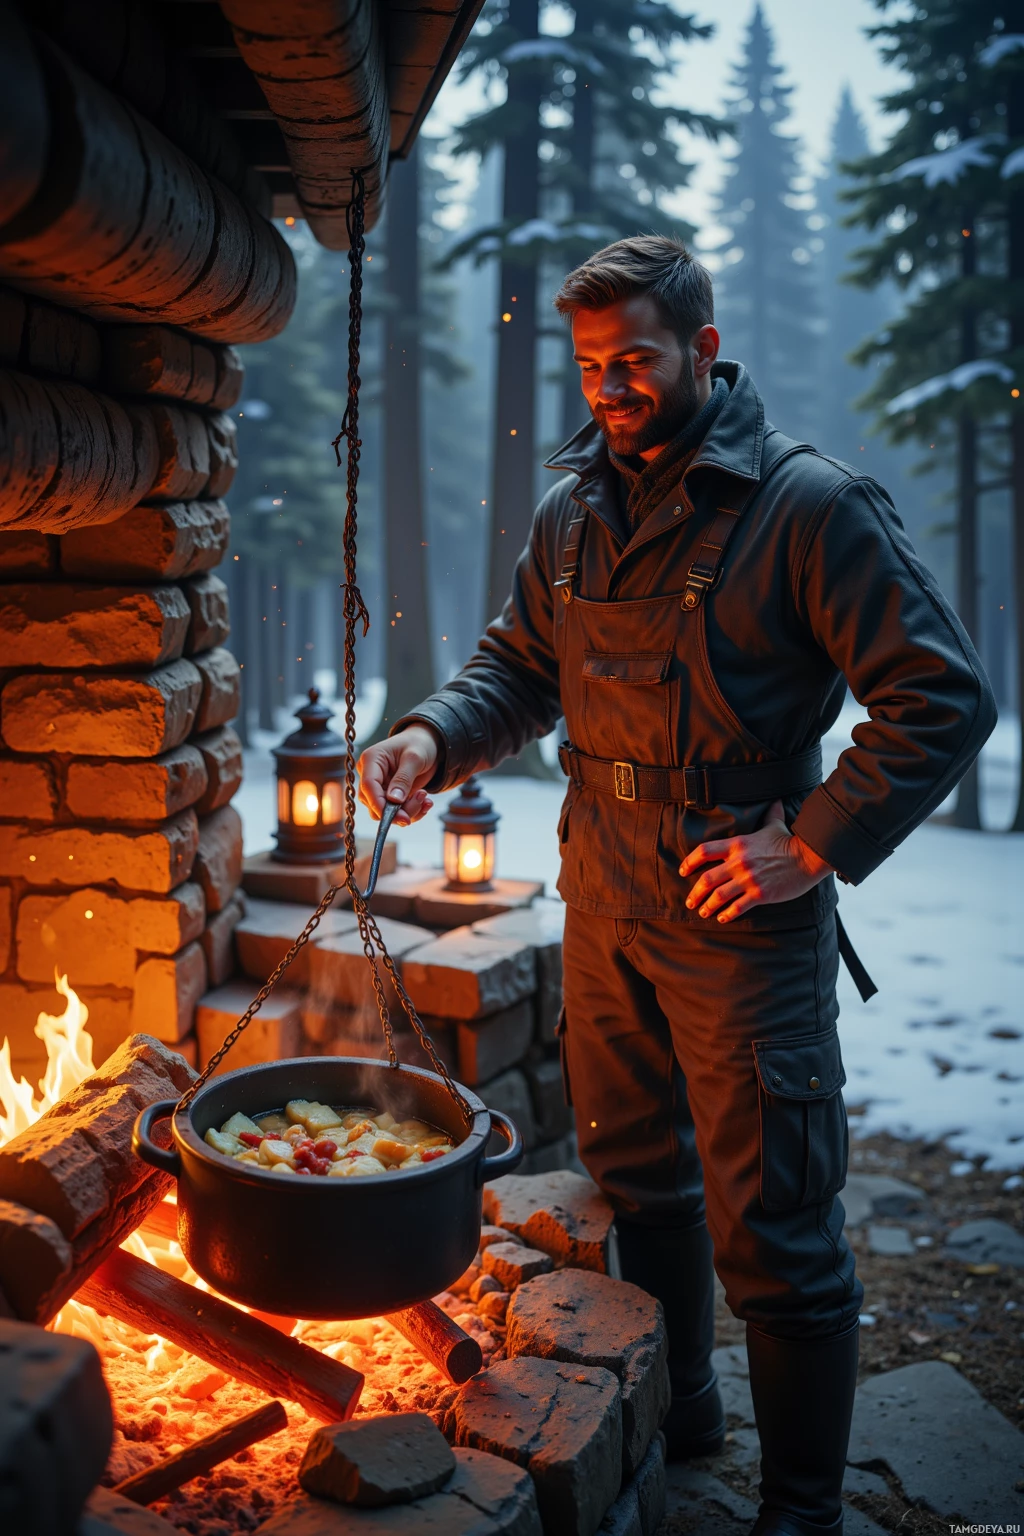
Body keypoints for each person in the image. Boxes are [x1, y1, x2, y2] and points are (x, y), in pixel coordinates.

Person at [358, 236, 996, 1536]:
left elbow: (943, 694)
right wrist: (434, 733)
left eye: (635, 360)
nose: (610, 387)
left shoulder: (808, 507)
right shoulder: (572, 513)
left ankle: (804, 1510)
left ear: (704, 349)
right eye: (591, 366)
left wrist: (811, 839)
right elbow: (518, 669)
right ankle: (686, 1414)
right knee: (637, 1179)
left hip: (743, 925)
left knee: (779, 1228)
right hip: (604, 903)